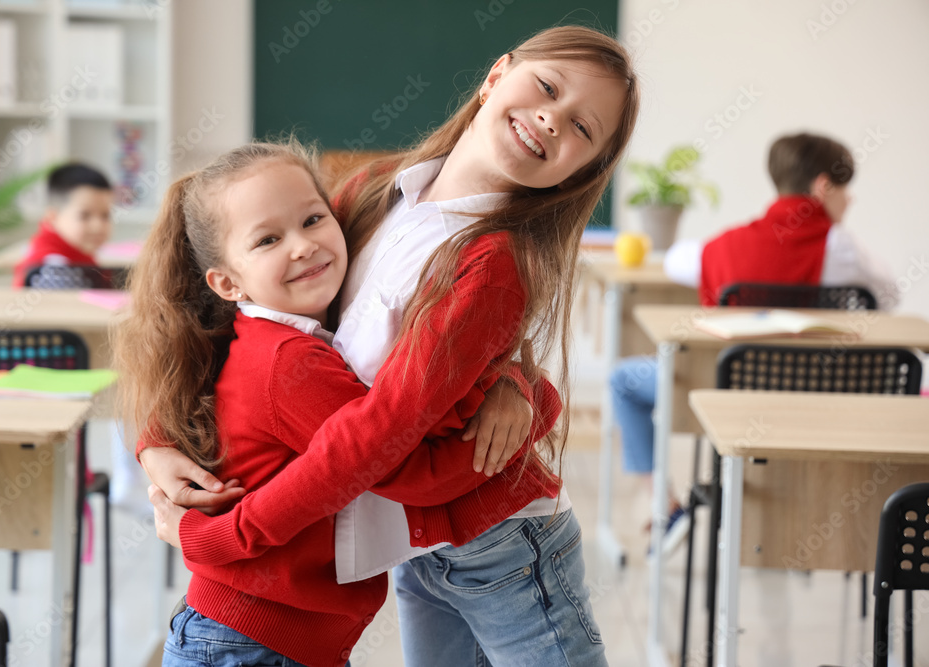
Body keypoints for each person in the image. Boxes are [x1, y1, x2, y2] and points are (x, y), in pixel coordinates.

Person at [139, 25, 640, 667]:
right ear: (495, 75)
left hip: (503, 541)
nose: (551, 118)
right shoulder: (374, 192)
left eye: (582, 129)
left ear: (584, 168)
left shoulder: (492, 262)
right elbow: (229, 310)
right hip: (415, 546)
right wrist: (157, 439)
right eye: (546, 87)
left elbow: (380, 433)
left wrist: (227, 535)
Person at [116, 139, 560, 667]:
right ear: (227, 283)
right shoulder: (292, 363)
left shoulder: (278, 330)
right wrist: (540, 402)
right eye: (267, 240)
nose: (301, 246)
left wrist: (511, 379)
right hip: (254, 643)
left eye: (312, 220)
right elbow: (411, 474)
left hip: (263, 637)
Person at [611, 131, 899, 552]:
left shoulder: (725, 245)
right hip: (816, 401)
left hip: (725, 396)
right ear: (822, 187)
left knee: (623, 380)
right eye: (844, 189)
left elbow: (675, 262)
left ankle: (663, 503)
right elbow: (888, 296)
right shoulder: (843, 250)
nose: (849, 200)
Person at [12, 163, 114, 287]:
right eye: (84, 216)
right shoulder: (52, 269)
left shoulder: (80, 252)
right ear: (52, 217)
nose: (98, 226)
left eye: (105, 216)